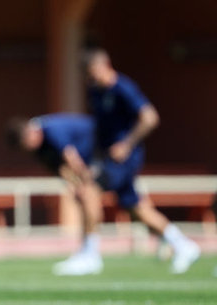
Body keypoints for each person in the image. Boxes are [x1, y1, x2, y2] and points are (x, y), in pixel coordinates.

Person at [85, 48, 200, 274]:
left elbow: (150, 117)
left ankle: (90, 255)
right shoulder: (95, 91)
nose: (91, 77)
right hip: (107, 157)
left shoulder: (123, 88)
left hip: (125, 157)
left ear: (104, 65)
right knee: (135, 207)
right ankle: (183, 245)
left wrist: (127, 144)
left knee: (88, 189)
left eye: (93, 71)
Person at [6, 114, 103, 275]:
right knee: (83, 198)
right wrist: (74, 184)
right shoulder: (38, 149)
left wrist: (84, 181)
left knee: (88, 196)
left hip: (103, 148)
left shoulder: (52, 130)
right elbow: (60, 169)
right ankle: (86, 250)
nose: (28, 148)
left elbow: (71, 157)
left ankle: (92, 254)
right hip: (88, 161)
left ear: (30, 132)